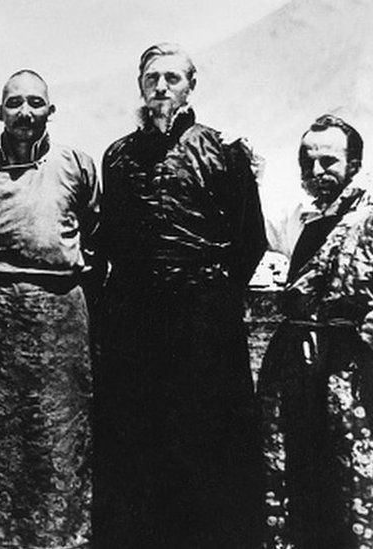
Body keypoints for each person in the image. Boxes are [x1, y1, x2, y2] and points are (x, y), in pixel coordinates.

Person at [94, 43, 267, 548]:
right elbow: (112, 240)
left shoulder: (223, 150)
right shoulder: (118, 156)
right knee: (139, 442)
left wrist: (211, 296)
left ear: (192, 86)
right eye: (153, 78)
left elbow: (250, 239)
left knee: (206, 440)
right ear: (140, 86)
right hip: (135, 324)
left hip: (203, 325)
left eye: (173, 78)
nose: (162, 87)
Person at [0, 70, 98, 549]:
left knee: (57, 439)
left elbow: (95, 236)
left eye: (36, 103)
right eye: (15, 103)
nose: (26, 113)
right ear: (0, 112)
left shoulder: (77, 165)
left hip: (60, 321)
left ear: (51, 111)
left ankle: (60, 539)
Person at [258, 115, 373, 549]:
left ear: (354, 163)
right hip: (297, 360)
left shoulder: (368, 218)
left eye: (329, 161)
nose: (318, 171)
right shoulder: (297, 218)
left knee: (349, 469)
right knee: (298, 466)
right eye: (309, 162)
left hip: (350, 364)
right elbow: (250, 234)